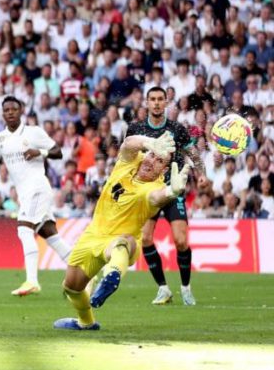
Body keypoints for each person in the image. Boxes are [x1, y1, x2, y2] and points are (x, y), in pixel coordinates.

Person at [53, 132, 189, 331]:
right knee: (71, 288)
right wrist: (150, 142)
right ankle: (86, 322)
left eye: (159, 161)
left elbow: (156, 198)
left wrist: (171, 192)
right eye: (152, 154)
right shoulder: (131, 162)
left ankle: (111, 276)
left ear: (164, 170)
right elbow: (128, 144)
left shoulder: (153, 187)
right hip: (92, 236)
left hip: (124, 243)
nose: (152, 161)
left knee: (120, 244)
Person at [0, 96, 73, 296]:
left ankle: (32, 281)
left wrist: (39, 152)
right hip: (24, 194)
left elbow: (58, 152)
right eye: (6, 110)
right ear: (2, 113)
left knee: (24, 230)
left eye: (13, 109)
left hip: (38, 187)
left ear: (21, 110)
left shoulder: (34, 132)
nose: (10, 112)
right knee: (51, 236)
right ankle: (85, 273)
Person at [126, 86, 206, 306]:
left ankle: (186, 288)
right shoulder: (136, 129)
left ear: (166, 102)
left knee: (181, 240)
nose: (157, 103)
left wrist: (202, 174)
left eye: (161, 99)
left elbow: (193, 154)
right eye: (152, 99)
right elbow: (128, 160)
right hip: (147, 192)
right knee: (147, 238)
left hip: (172, 190)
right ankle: (163, 289)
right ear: (147, 102)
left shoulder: (177, 129)